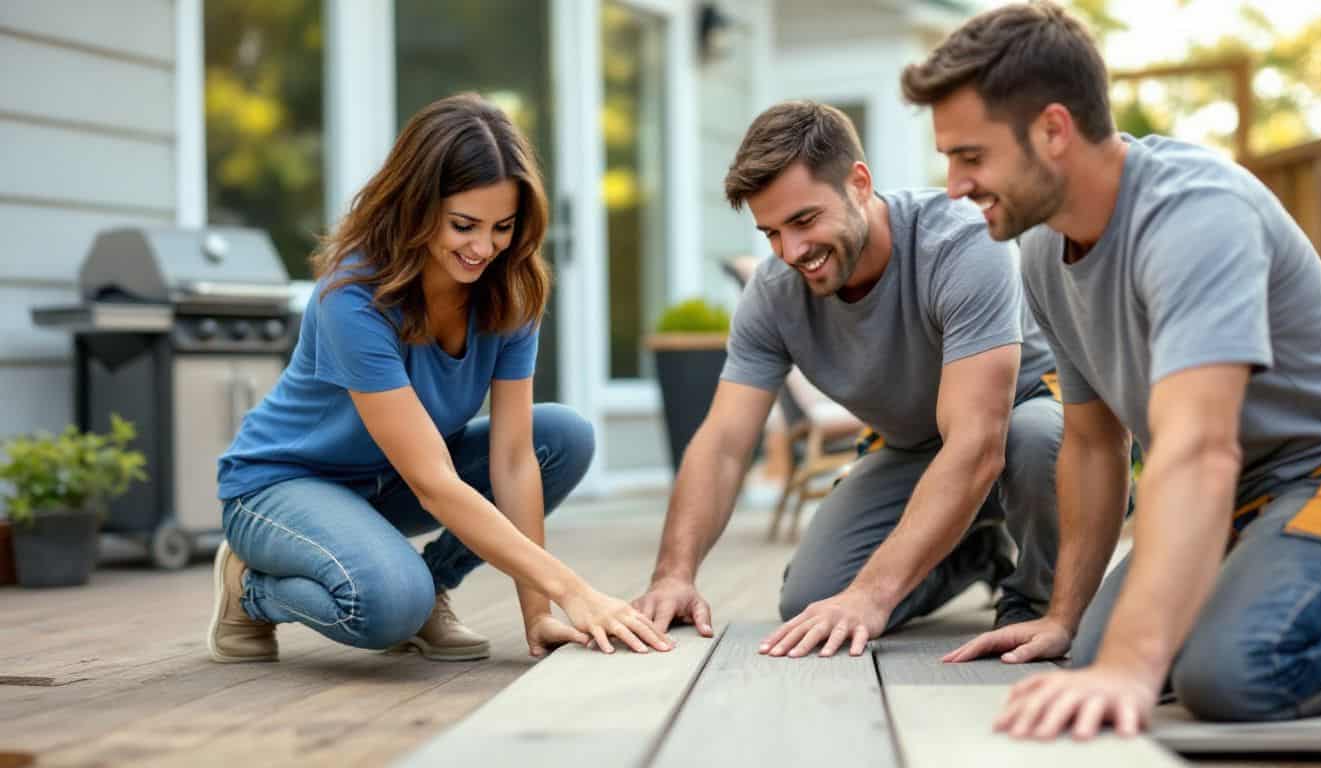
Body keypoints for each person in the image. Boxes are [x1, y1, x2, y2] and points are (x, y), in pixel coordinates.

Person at [903, 0, 1321, 738]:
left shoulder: (1196, 216)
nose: (952, 185)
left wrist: (1134, 668)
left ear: (1052, 130)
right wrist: (1066, 615)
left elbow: (1199, 449)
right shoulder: (1045, 247)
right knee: (1091, 653)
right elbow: (1092, 441)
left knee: (1232, 672)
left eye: (970, 156)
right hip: (1244, 500)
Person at [208, 93, 671, 665]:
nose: (484, 248)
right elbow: (433, 480)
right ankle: (251, 591)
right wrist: (573, 590)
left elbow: (514, 460)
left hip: (389, 488)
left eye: (502, 227)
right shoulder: (352, 298)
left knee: (563, 437)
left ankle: (431, 589)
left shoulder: (514, 288)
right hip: (281, 486)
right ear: (417, 207)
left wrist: (539, 616)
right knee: (385, 607)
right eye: (463, 225)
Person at [632, 100, 1064, 658]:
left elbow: (980, 444)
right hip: (915, 448)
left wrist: (874, 594)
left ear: (859, 184)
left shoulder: (960, 243)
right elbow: (722, 445)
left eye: (805, 220)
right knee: (812, 600)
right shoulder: (772, 295)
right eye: (771, 233)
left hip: (1025, 422)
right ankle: (973, 553)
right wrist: (674, 573)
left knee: (1033, 440)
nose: (791, 252)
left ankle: (1034, 598)